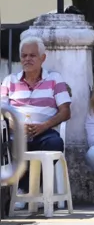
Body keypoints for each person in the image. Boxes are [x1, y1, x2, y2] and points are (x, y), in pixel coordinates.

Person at [0, 38, 71, 204]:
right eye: (24, 55)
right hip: (15, 133)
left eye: (32, 55)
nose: (27, 59)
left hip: (44, 132)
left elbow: (66, 112)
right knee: (5, 146)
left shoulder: (54, 79)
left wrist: (43, 126)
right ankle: (19, 192)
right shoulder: (9, 81)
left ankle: (26, 190)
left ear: (42, 58)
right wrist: (14, 125)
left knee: (54, 144)